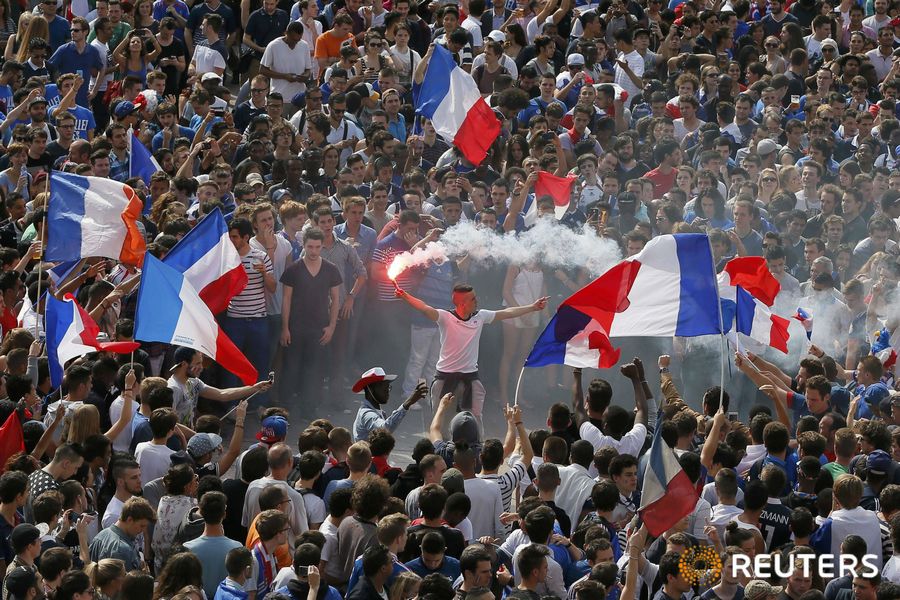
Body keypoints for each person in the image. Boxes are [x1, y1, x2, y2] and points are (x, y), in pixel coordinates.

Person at [396, 283, 547, 418]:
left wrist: (532, 307)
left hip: (470, 378)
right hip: (445, 377)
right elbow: (424, 307)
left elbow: (507, 312)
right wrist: (405, 295)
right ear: (462, 303)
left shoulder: (480, 316)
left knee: (474, 419)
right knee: (440, 420)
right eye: (473, 299)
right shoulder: (445, 317)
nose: (477, 300)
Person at [351, 367, 427, 442]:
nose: (387, 392)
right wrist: (408, 403)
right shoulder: (367, 414)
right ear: (371, 389)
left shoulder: (377, 411)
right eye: (384, 388)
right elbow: (384, 430)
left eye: (388, 388)